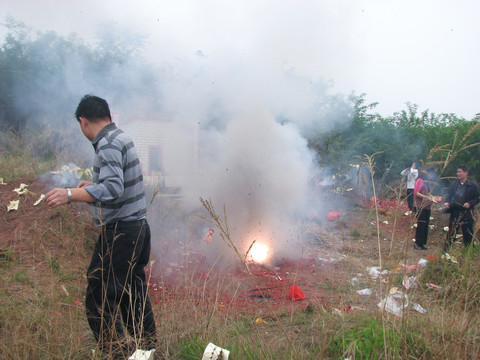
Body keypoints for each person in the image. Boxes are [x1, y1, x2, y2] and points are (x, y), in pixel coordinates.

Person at [45, 95, 157, 356]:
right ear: (108, 116)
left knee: (99, 294)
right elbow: (117, 185)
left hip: (121, 232)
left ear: (83, 122)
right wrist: (90, 188)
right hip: (138, 229)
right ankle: (148, 348)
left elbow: (114, 189)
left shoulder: (105, 144)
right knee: (132, 293)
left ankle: (116, 352)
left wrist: (69, 195)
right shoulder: (121, 137)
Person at [443, 165, 480, 251]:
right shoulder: (454, 184)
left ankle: (469, 252)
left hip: (467, 213)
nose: (458, 174)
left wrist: (470, 203)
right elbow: (449, 195)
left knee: (467, 233)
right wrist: (447, 202)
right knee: (452, 232)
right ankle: (446, 251)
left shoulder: (473, 185)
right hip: (455, 211)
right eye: (457, 172)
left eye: (460, 172)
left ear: (466, 173)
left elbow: (477, 198)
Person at [413, 169, 438, 250]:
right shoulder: (420, 181)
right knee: (421, 225)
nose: (432, 176)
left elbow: (428, 193)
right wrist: (427, 197)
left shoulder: (428, 183)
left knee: (425, 225)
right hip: (420, 206)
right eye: (431, 174)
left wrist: (433, 197)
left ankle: (422, 243)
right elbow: (416, 192)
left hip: (427, 207)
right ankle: (417, 243)